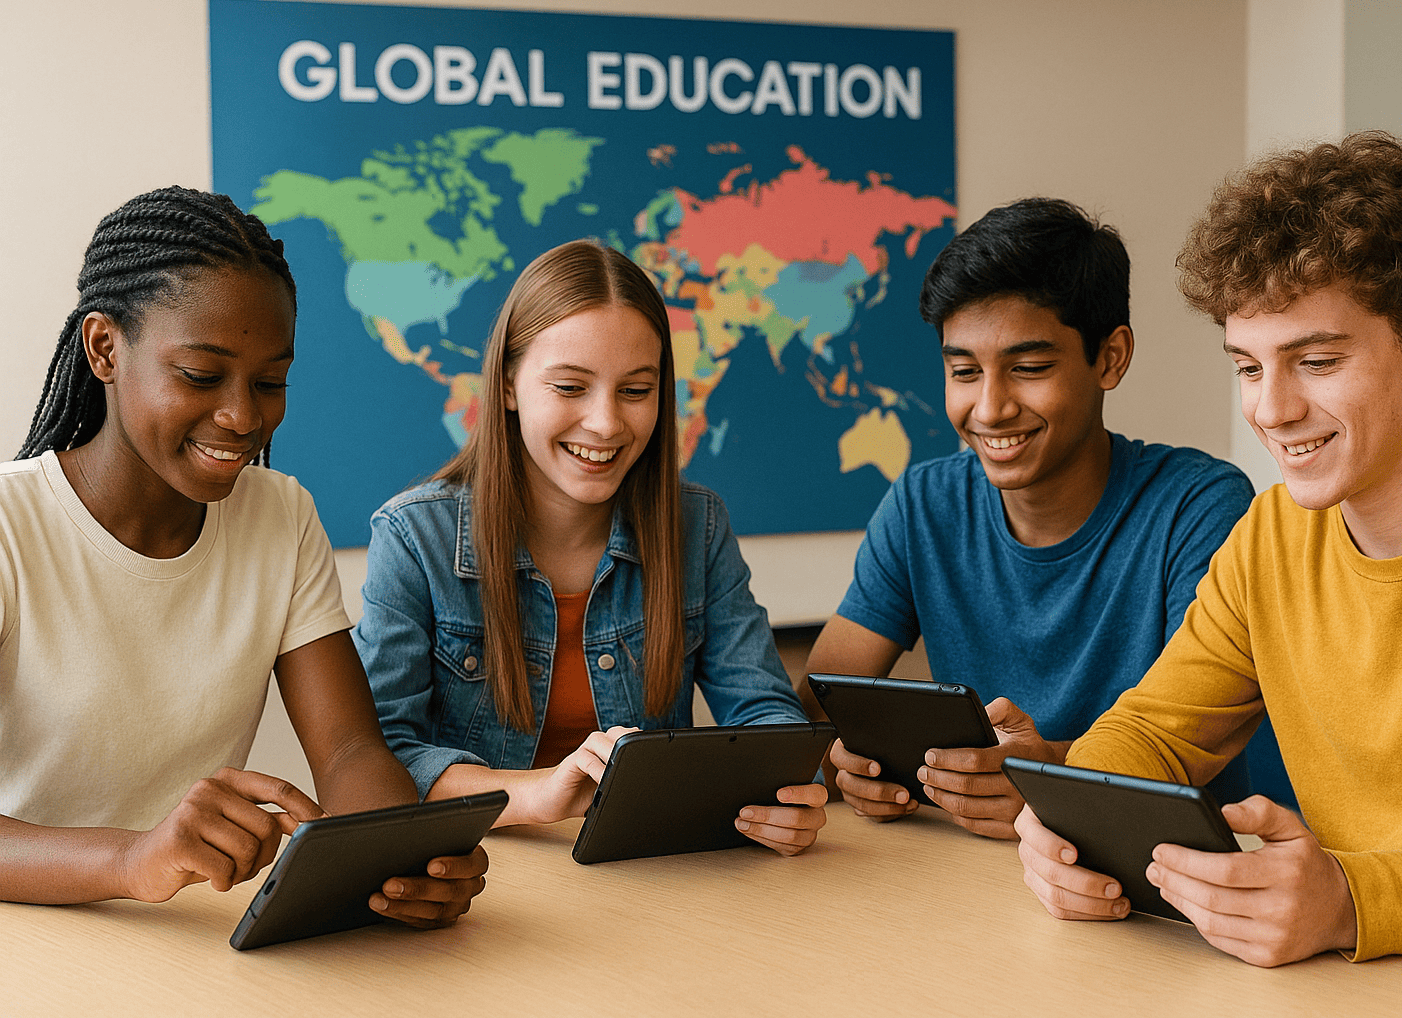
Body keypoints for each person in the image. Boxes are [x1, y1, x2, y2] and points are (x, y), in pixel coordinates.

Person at [1014, 132, 1402, 966]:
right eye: (1248, 368)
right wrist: (1071, 823)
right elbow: (1152, 731)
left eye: (1316, 361)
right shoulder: (1270, 537)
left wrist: (1355, 903)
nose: (1271, 410)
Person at [0, 187, 488, 923]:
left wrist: (397, 853)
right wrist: (132, 859)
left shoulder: (279, 515)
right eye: (201, 376)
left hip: (198, 935)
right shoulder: (13, 528)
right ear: (104, 348)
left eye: (270, 382)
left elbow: (350, 751)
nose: (243, 416)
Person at [807, 197, 1264, 840]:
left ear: (1110, 358)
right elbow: (818, 712)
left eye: (1028, 369)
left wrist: (1050, 771)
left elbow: (1191, 734)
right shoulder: (923, 503)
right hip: (967, 868)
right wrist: (848, 763)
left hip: (1155, 863)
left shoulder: (1201, 505)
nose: (989, 408)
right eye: (964, 371)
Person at [353, 240, 827, 855]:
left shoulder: (698, 525)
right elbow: (380, 758)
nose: (605, 423)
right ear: (508, 385)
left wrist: (789, 793)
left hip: (647, 872)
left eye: (635, 391)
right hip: (479, 871)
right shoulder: (414, 537)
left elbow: (765, 716)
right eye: (571, 387)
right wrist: (536, 795)